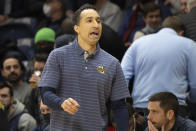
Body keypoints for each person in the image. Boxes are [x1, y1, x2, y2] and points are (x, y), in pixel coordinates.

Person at [39, 4, 130, 131]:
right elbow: (45, 94)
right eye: (89, 21)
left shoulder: (112, 63)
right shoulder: (58, 56)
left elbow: (119, 107)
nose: (96, 25)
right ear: (77, 28)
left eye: (98, 21)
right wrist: (61, 103)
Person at [121, 16, 196, 117]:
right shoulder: (189, 45)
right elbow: (195, 83)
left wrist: (123, 104)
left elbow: (122, 75)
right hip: (174, 107)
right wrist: (192, 101)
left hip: (142, 107)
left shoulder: (138, 43)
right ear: (181, 33)